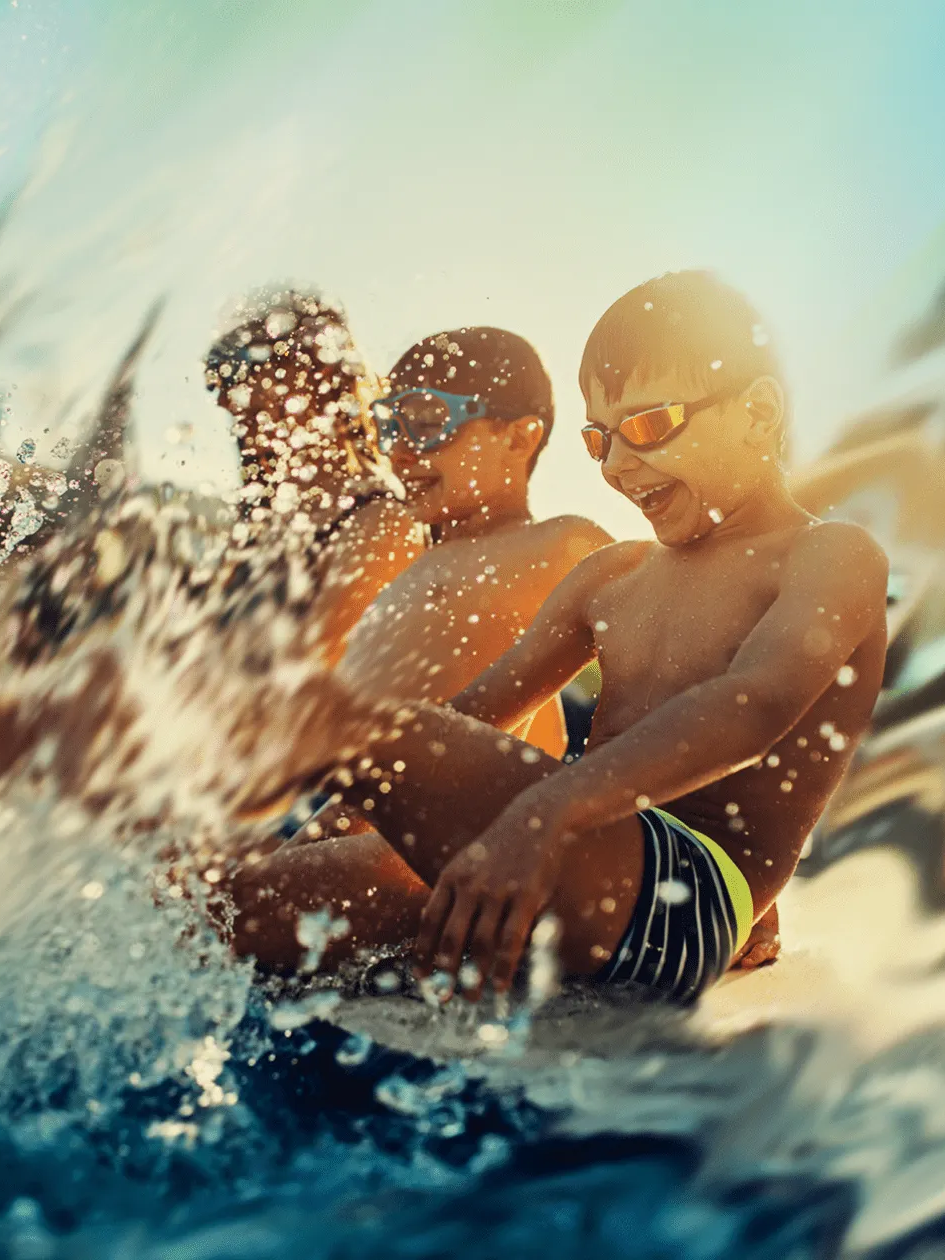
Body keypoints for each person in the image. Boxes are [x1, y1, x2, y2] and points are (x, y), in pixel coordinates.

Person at [227, 271, 889, 1005]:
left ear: (757, 410)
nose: (615, 465)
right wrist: (316, 847)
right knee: (232, 908)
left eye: (646, 426)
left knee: (340, 719)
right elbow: (469, 720)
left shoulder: (828, 554)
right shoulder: (614, 576)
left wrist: (539, 815)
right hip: (580, 863)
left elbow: (754, 704)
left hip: (685, 897)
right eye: (598, 438)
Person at [335, 327, 611, 759]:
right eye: (389, 426)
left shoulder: (551, 546)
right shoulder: (419, 561)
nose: (399, 452)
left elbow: (666, 629)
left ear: (518, 439)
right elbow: (534, 713)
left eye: (427, 423)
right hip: (348, 808)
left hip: (409, 813)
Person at [204, 289, 425, 665]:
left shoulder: (377, 525)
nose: (226, 397)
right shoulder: (265, 515)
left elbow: (318, 691)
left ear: (318, 368)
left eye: (245, 363)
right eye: (218, 374)